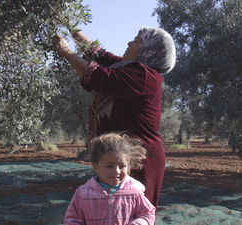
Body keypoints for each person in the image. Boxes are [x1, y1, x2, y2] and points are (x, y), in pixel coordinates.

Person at [52, 26, 176, 208]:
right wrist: (71, 26)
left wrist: (67, 52)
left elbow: (99, 78)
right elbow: (99, 54)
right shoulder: (130, 69)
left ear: (149, 51)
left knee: (130, 213)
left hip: (138, 161)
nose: (129, 43)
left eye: (137, 41)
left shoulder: (145, 76)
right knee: (112, 212)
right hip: (119, 157)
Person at [65, 132, 156, 225]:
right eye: (109, 166)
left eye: (122, 166)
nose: (116, 171)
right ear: (95, 166)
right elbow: (73, 218)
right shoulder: (83, 194)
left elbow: (148, 213)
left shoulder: (134, 192)